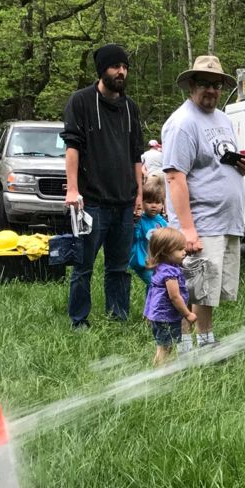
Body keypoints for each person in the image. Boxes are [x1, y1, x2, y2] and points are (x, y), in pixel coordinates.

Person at [161, 54, 245, 351]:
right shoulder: (182, 123)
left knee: (209, 290)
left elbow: (216, 160)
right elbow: (175, 177)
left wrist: (240, 165)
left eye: (216, 85)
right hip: (201, 222)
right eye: (204, 83)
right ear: (191, 84)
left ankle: (206, 341)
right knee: (193, 287)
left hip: (226, 221)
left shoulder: (222, 119)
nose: (211, 90)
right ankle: (186, 346)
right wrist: (187, 230)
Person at [61, 43, 145, 329]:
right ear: (102, 70)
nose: (121, 72)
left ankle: (117, 318)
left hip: (124, 201)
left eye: (124, 67)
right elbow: (72, 146)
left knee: (119, 267)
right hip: (91, 201)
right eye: (115, 66)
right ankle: (79, 321)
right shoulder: (80, 102)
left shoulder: (130, 108)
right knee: (83, 266)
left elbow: (137, 155)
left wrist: (139, 195)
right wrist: (72, 190)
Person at [143, 227, 195, 367]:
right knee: (165, 348)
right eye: (179, 249)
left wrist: (148, 313)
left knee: (165, 345)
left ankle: (160, 368)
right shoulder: (169, 273)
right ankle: (161, 372)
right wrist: (188, 314)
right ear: (165, 251)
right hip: (166, 317)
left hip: (159, 316)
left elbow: (152, 293)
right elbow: (175, 297)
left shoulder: (162, 267)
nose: (184, 252)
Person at [130, 173, 168, 286]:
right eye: (149, 202)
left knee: (153, 286)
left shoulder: (162, 222)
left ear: (162, 204)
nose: (153, 206)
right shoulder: (140, 219)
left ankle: (151, 303)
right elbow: (135, 236)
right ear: (142, 203)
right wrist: (136, 222)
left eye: (157, 203)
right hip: (142, 261)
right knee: (155, 284)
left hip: (157, 262)